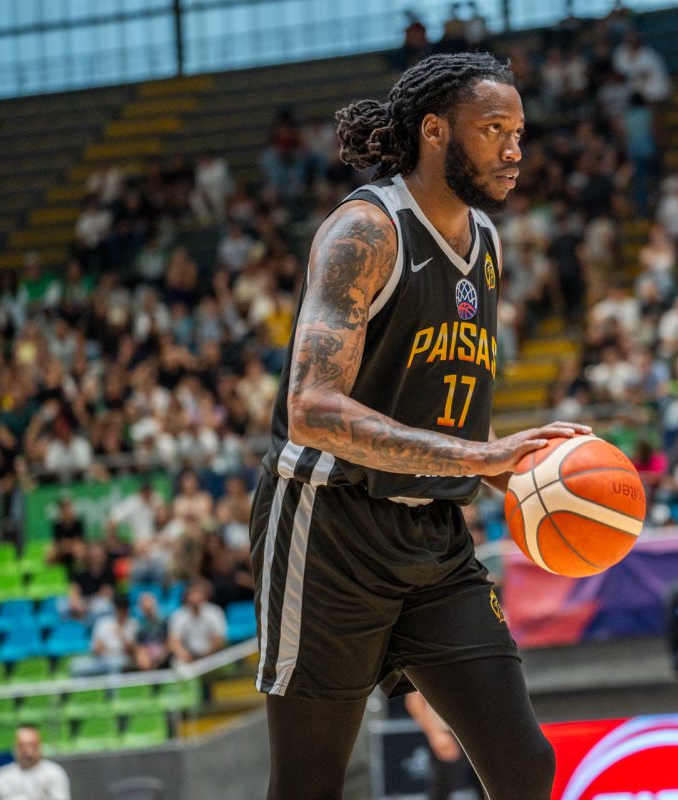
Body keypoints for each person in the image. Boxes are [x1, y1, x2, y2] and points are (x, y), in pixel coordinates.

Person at [249, 53, 587, 800]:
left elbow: (443, 400)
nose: (514, 150)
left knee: (524, 763)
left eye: (519, 133)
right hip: (329, 530)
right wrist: (475, 457)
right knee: (308, 786)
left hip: (433, 536)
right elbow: (312, 408)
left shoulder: (487, 241)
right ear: (435, 130)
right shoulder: (366, 231)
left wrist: (520, 469)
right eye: (493, 130)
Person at [405, 692, 484, 800]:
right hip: (449, 735)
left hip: (484, 735)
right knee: (442, 791)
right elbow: (414, 699)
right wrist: (435, 734)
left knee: (491, 790)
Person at [0, 725, 70, 800]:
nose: (25, 750)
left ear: (39, 746)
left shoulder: (53, 773)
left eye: (30, 745)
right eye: (21, 745)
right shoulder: (2, 775)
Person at [167, 579, 226, 665]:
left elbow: (219, 639)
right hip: (188, 658)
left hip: (212, 655)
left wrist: (206, 656)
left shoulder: (215, 612)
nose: (195, 598)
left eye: (198, 594)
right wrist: (186, 656)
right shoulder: (178, 615)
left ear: (205, 596)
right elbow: (174, 642)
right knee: (177, 664)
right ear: (186, 597)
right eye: (192, 594)